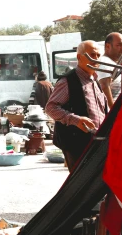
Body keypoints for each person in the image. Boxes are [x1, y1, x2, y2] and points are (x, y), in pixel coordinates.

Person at [45, 40, 108, 172]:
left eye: (97, 55)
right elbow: (51, 108)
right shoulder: (68, 81)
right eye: (91, 55)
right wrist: (76, 120)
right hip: (77, 143)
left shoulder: (94, 80)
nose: (95, 58)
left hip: (98, 141)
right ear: (79, 57)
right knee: (82, 186)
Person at [95, 32, 122, 109]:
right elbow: (104, 86)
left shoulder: (111, 63)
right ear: (108, 46)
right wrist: (113, 112)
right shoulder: (105, 62)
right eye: (119, 45)